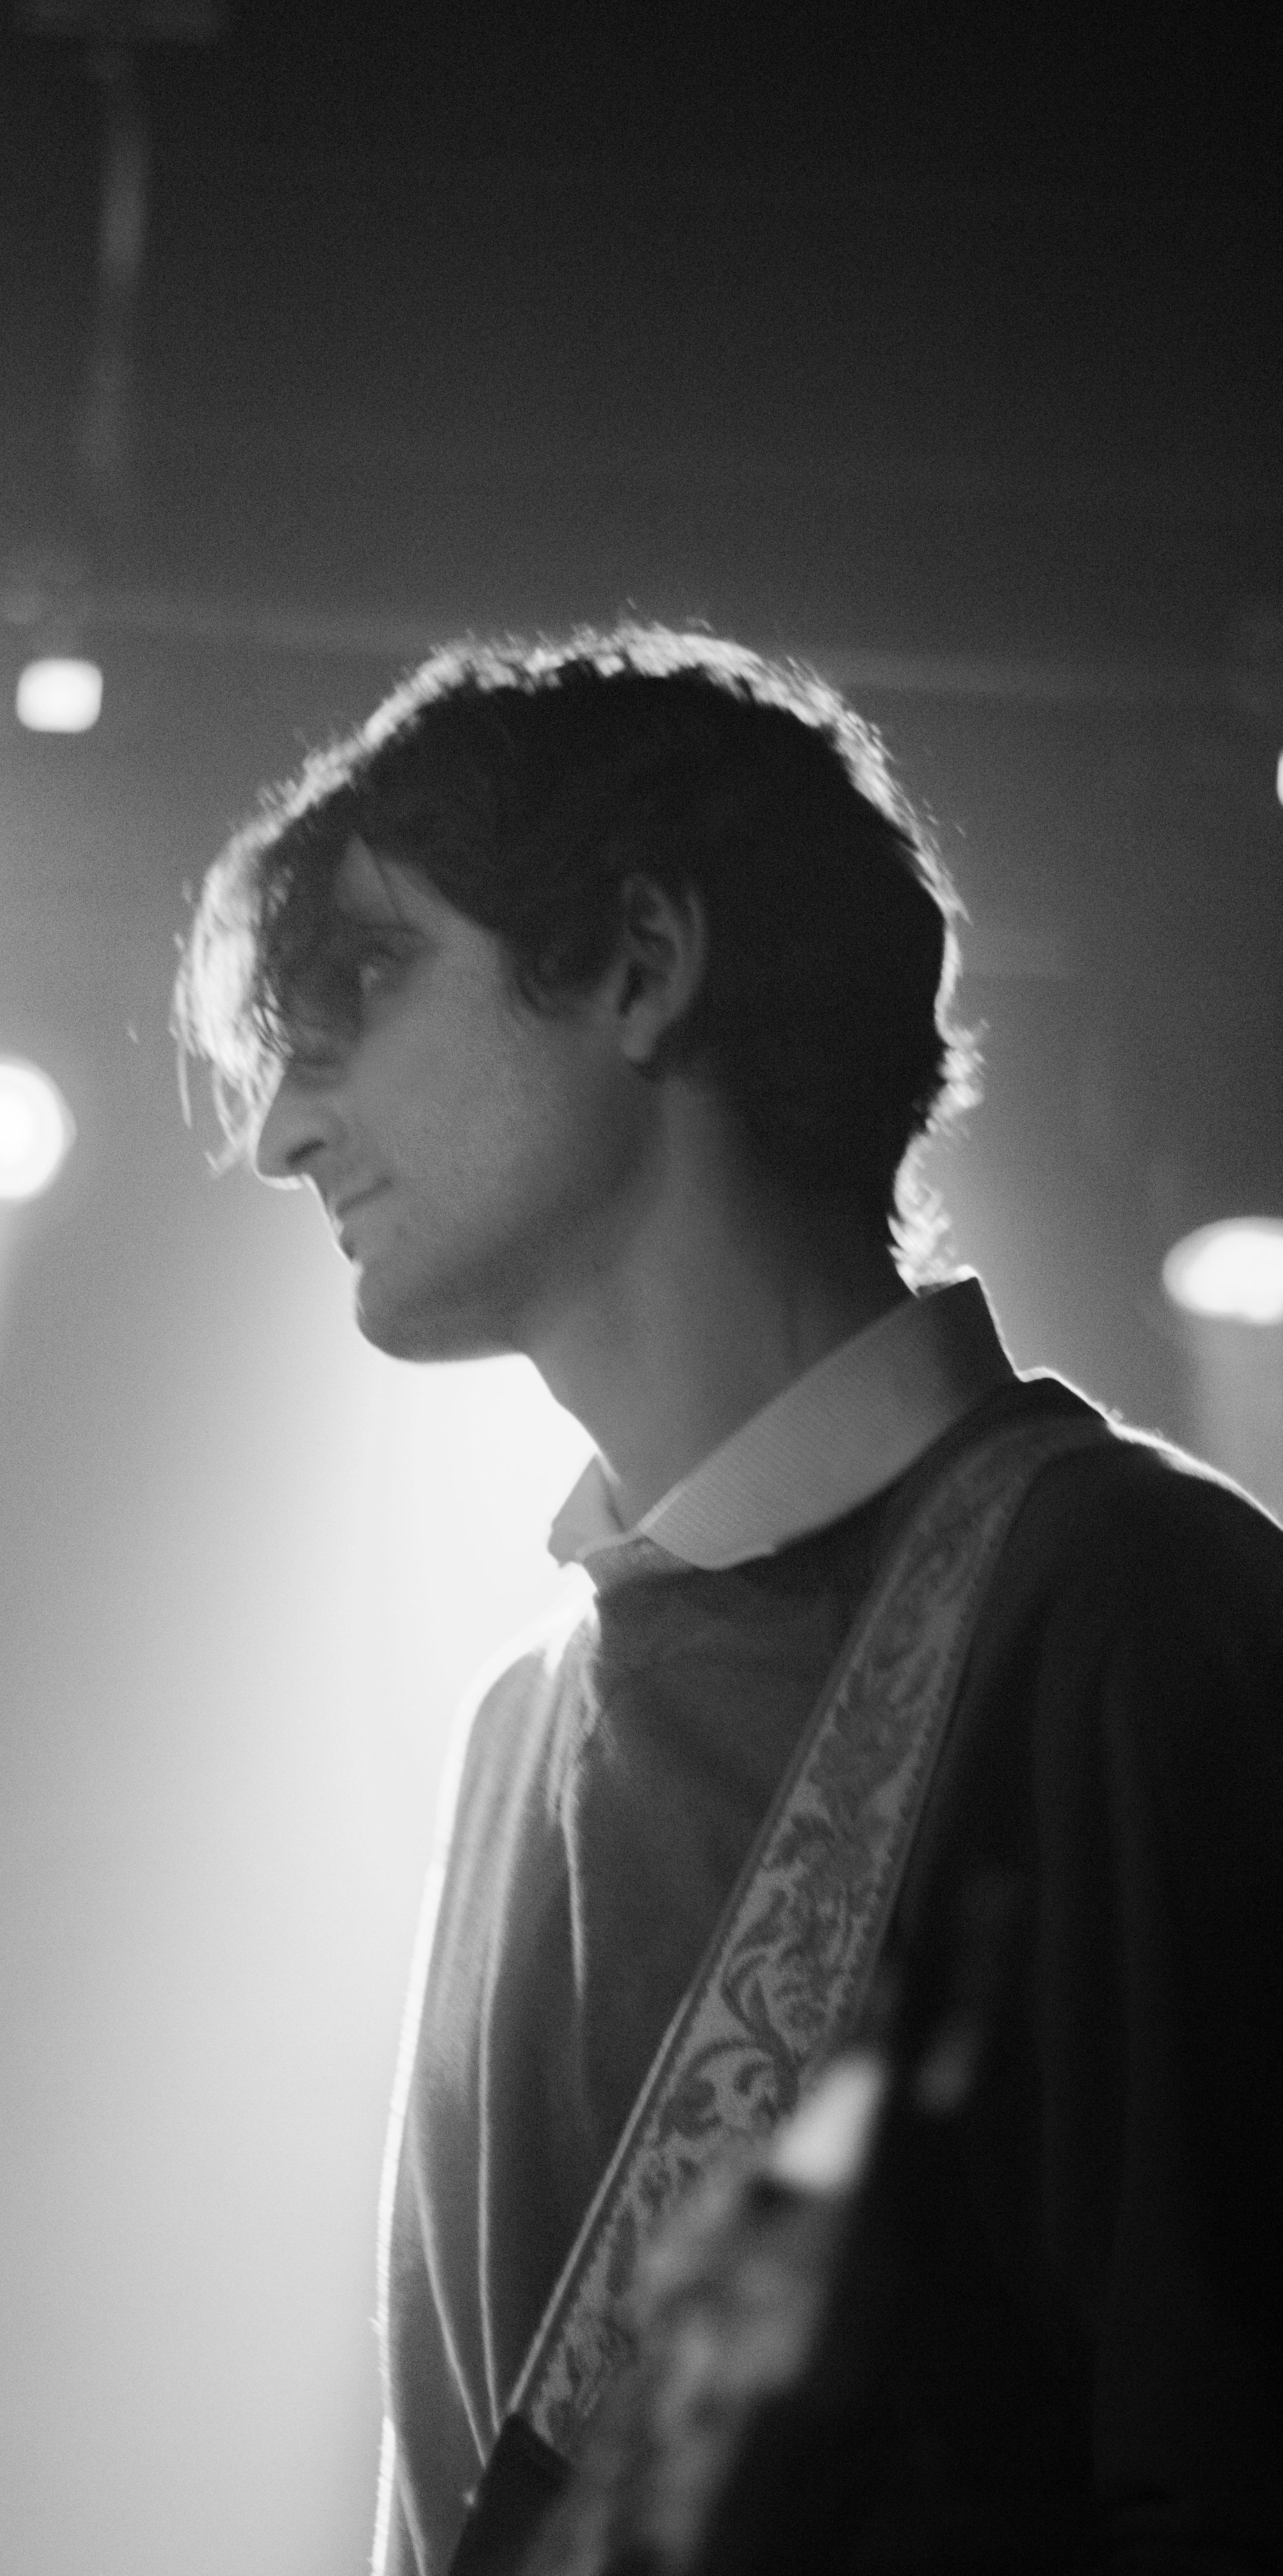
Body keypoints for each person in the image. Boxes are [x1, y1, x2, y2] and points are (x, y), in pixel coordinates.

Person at [173, 627, 1283, 2575]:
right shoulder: (517, 1723)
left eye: (359, 983)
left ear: (635, 963)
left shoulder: (1127, 1608)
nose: (278, 1127)